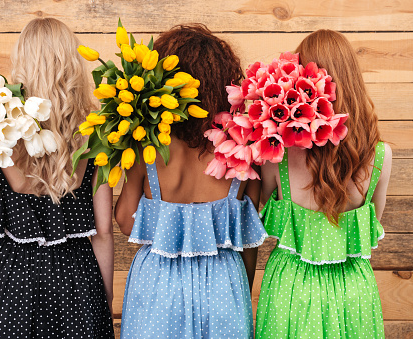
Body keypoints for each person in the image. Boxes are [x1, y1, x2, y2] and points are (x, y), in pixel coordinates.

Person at [115, 24, 267, 338]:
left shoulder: (146, 146)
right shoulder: (244, 150)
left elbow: (125, 221)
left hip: (157, 285)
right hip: (224, 284)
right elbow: (247, 236)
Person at [0, 18, 114, 338]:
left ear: (22, 62)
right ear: (71, 64)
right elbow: (103, 231)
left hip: (12, 282)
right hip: (77, 280)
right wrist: (104, 297)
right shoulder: (97, 133)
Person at [255, 29, 392, 339]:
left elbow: (260, 207)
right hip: (353, 293)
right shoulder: (381, 156)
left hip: (289, 292)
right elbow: (374, 221)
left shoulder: (276, 153)